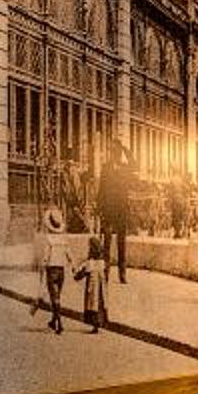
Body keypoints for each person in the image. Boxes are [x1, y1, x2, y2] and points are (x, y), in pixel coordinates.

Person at [97, 138, 136, 286]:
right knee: (106, 242)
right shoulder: (105, 168)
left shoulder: (125, 168)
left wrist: (126, 150)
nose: (115, 154)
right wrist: (99, 208)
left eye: (117, 151)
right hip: (108, 209)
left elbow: (135, 165)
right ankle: (105, 272)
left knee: (121, 242)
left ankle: (122, 273)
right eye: (113, 151)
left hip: (121, 209)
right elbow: (101, 189)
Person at [33, 203, 72, 335]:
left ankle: (59, 323)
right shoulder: (64, 239)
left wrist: (41, 268)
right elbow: (69, 254)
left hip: (52, 271)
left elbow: (45, 257)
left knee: (54, 298)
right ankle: (53, 321)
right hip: (61, 270)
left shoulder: (48, 239)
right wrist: (73, 266)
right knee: (57, 297)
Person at [75, 227, 110, 333]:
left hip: (93, 287)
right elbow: (106, 273)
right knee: (100, 304)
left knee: (93, 304)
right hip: (101, 288)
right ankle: (100, 323)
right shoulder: (102, 262)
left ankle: (95, 325)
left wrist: (76, 275)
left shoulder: (90, 263)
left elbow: (82, 273)